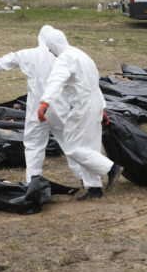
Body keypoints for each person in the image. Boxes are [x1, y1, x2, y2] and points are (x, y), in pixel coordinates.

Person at [0, 25, 106, 187]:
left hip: (38, 110)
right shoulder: (66, 56)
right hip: (60, 109)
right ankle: (84, 179)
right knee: (70, 145)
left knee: (34, 145)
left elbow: (11, 59)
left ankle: (33, 180)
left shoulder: (30, 54)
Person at [38, 29, 122, 200]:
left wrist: (45, 102)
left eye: (49, 48)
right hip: (94, 105)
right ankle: (94, 188)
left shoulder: (65, 59)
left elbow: (56, 81)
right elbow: (94, 84)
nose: (49, 52)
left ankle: (111, 168)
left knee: (72, 147)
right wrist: (102, 108)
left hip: (81, 106)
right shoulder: (82, 55)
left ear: (54, 45)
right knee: (89, 148)